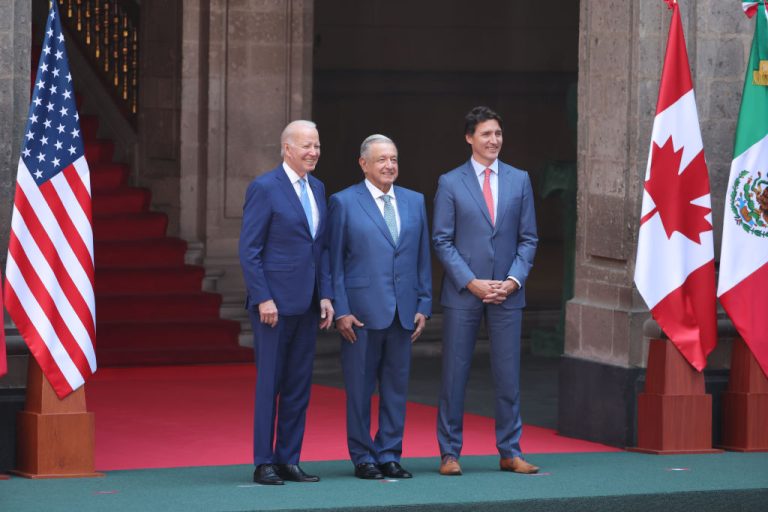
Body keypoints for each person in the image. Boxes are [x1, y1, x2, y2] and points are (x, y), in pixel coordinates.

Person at [432, 106, 539, 476]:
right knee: (454, 374)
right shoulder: (450, 182)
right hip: (465, 293)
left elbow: (528, 239)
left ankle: (510, 451)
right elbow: (442, 240)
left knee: (508, 374)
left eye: (497, 133)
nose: (493, 140)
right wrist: (472, 282)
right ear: (469, 138)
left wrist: (512, 281)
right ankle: (449, 453)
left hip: (508, 293)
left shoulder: (519, 179)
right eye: (485, 134)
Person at [328, 134, 432, 480]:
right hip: (360, 314)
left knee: (395, 388)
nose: (390, 166)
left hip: (403, 312)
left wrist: (424, 303)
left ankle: (389, 452)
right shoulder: (343, 202)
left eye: (394, 159)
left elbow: (421, 259)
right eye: (382, 159)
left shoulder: (414, 201)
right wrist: (340, 309)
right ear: (363, 164)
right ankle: (363, 457)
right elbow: (334, 261)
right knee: (359, 388)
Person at [238, 120, 334, 485]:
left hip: (308, 304)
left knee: (298, 385)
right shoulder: (265, 187)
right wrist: (263, 298)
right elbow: (250, 250)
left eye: (317, 145)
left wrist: (325, 295)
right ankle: (264, 461)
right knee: (270, 385)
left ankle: (289, 458)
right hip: (273, 307)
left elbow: (319, 249)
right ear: (286, 148)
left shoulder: (319, 188)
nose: (313, 152)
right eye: (306, 146)